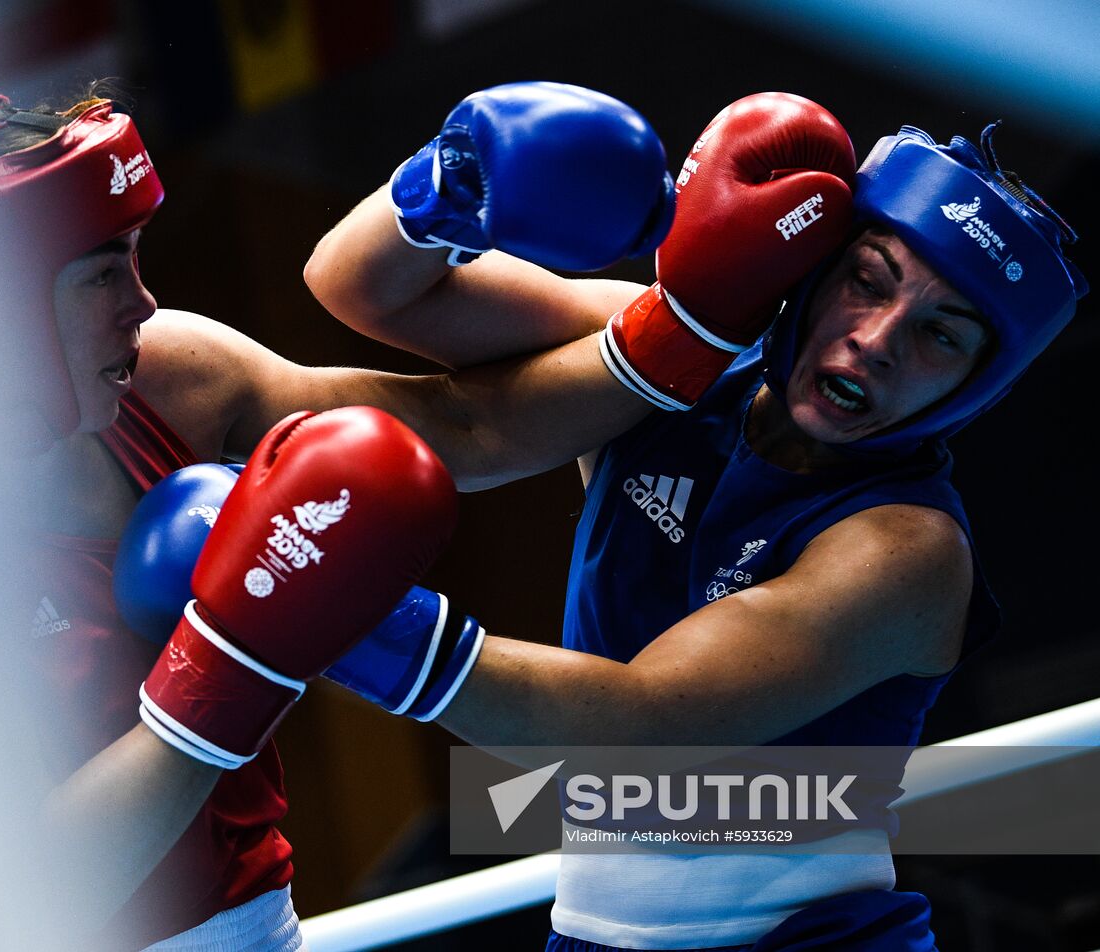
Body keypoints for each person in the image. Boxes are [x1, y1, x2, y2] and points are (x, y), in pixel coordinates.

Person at [0, 83, 677, 951]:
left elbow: (468, 428)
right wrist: (230, 656)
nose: (142, 301)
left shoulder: (168, 379)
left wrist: (703, 328)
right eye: (101, 272)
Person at [302, 88, 1087, 949]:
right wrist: (450, 187)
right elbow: (361, 288)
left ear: (973, 388)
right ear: (814, 266)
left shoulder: (906, 547)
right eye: (868, 280)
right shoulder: (674, 363)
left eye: (942, 334)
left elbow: (638, 733)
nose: (878, 339)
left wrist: (327, 593)